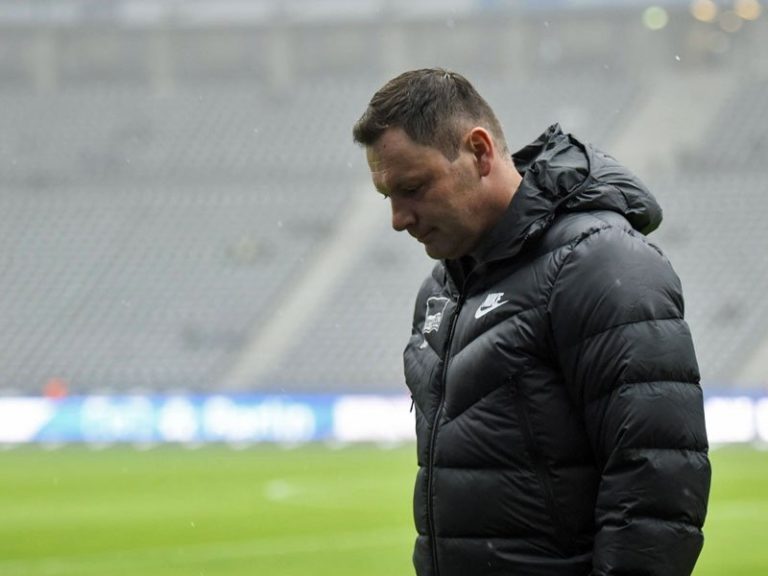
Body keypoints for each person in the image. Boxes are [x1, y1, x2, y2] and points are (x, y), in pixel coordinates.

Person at [352, 68, 711, 576]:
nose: (398, 218)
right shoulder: (443, 290)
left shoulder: (597, 263)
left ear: (480, 152)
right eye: (387, 196)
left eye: (413, 187)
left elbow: (656, 487)